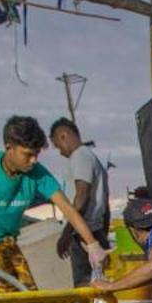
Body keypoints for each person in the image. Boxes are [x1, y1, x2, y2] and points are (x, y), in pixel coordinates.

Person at [0, 115, 105, 293]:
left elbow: (68, 208)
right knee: (3, 299)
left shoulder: (36, 173)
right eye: (28, 154)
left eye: (37, 154)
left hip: (7, 241)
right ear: (10, 148)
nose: (34, 160)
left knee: (29, 294)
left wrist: (92, 244)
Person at [50, 118, 110, 288]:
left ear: (63, 136)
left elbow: (81, 197)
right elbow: (105, 202)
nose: (60, 152)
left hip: (82, 233)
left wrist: (66, 233)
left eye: (57, 145)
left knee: (83, 282)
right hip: (95, 230)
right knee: (97, 281)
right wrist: (102, 235)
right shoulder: (92, 158)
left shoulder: (80, 156)